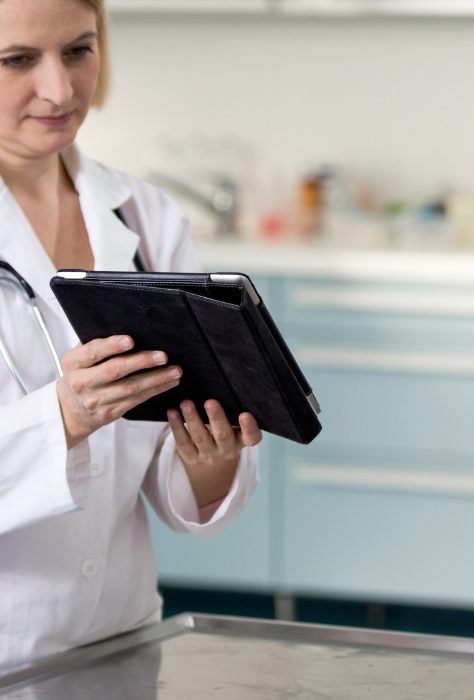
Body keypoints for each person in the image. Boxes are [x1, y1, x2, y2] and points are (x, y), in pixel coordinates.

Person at [0, 0, 262, 674]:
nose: (59, 90)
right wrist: (64, 415)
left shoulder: (145, 219)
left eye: (79, 51)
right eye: (17, 60)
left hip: (120, 644)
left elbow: (177, 482)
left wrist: (212, 449)